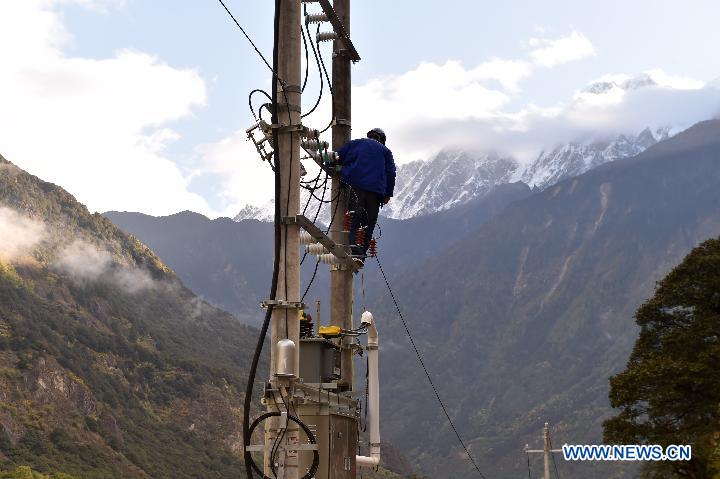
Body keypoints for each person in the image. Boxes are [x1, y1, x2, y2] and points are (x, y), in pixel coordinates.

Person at [336, 127, 396, 257]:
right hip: (375, 194)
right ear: (382, 140)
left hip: (355, 188)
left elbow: (337, 156)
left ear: (369, 136)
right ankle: (360, 255)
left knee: (354, 220)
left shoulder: (355, 144)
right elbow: (391, 173)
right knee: (368, 224)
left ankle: (355, 251)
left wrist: (341, 168)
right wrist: (387, 194)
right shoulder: (386, 151)